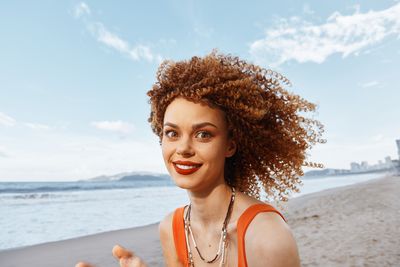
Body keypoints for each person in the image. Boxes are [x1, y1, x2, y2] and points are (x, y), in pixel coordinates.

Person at [76, 51, 325, 267]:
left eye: (203, 134)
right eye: (172, 133)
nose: (183, 148)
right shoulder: (171, 229)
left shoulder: (267, 235)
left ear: (229, 145)